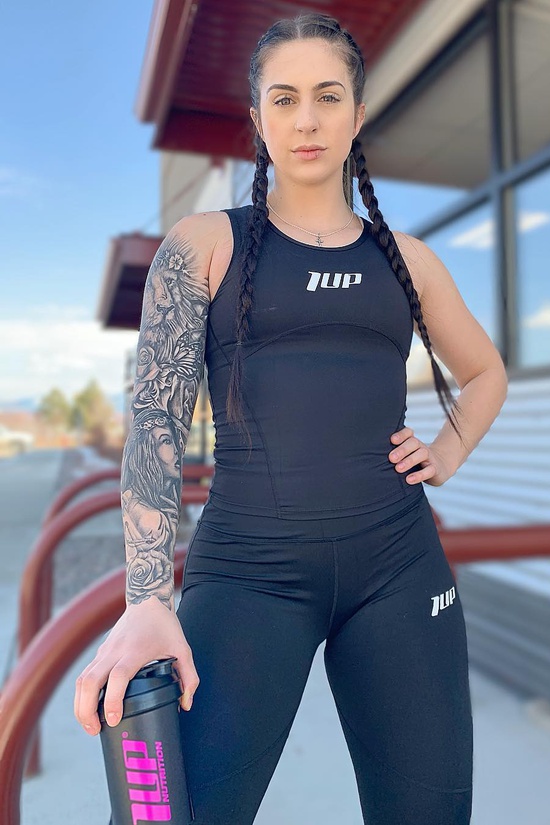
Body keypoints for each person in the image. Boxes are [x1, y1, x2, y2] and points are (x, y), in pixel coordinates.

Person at [74, 11, 508, 824]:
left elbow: (485, 372)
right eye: (284, 99)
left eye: (327, 96)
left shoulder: (408, 262)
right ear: (258, 118)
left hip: (400, 569)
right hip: (248, 573)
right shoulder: (202, 244)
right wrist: (146, 596)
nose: (306, 119)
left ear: (357, 114)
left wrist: (447, 451)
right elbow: (156, 419)